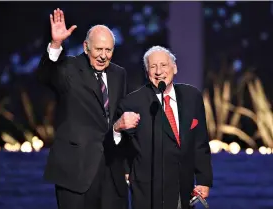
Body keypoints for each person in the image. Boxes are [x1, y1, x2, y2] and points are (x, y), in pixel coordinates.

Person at [37, 8, 140, 209]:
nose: (103, 56)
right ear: (86, 47)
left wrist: (127, 165)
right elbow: (45, 76)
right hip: (76, 171)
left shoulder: (119, 74)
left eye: (108, 50)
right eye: (98, 49)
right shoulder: (69, 68)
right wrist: (56, 44)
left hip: (112, 171)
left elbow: (118, 118)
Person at [114, 46, 213, 209]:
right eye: (153, 67)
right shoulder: (131, 103)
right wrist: (127, 172)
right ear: (147, 73)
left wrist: (203, 180)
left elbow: (200, 143)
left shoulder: (192, 97)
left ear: (174, 68)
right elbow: (123, 147)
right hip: (148, 194)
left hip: (183, 190)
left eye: (164, 65)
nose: (159, 71)